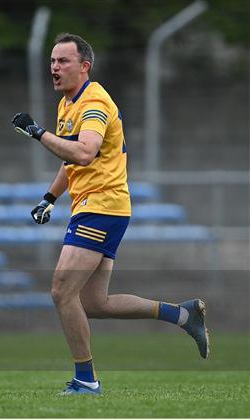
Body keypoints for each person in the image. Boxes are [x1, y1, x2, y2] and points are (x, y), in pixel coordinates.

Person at [11, 34, 209, 395]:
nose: (54, 67)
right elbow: (71, 157)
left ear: (84, 66)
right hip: (95, 207)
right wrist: (49, 197)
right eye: (52, 61)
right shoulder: (67, 104)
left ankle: (86, 380)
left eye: (63, 61)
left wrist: (37, 132)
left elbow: (85, 152)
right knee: (94, 303)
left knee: (60, 291)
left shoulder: (94, 102)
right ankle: (182, 314)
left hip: (102, 206)